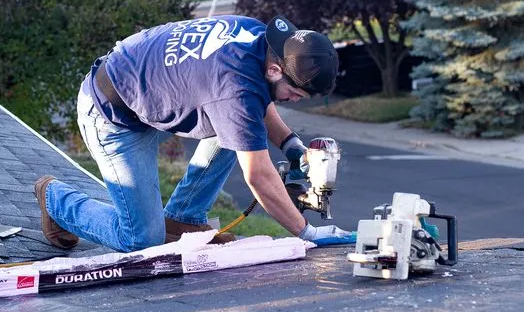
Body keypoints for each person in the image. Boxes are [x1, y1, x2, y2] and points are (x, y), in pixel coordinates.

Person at [34, 14, 353, 252]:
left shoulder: (258, 38)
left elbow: (252, 103)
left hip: (138, 85)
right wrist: (307, 232)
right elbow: (258, 176)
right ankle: (55, 199)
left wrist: (291, 145)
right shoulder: (234, 88)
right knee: (140, 239)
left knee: (241, 128)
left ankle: (183, 218)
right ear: (275, 69)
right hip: (109, 113)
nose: (293, 101)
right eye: (294, 94)